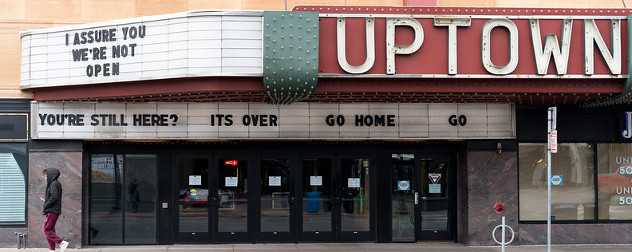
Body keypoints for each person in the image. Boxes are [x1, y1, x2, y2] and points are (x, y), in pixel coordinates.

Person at [42, 168, 69, 252]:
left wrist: (45, 206)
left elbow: (54, 197)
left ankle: (61, 242)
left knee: (46, 230)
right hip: (53, 210)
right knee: (50, 230)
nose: (45, 177)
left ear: (51, 175)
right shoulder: (55, 183)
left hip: (52, 210)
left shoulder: (54, 184)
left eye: (46, 175)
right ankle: (52, 249)